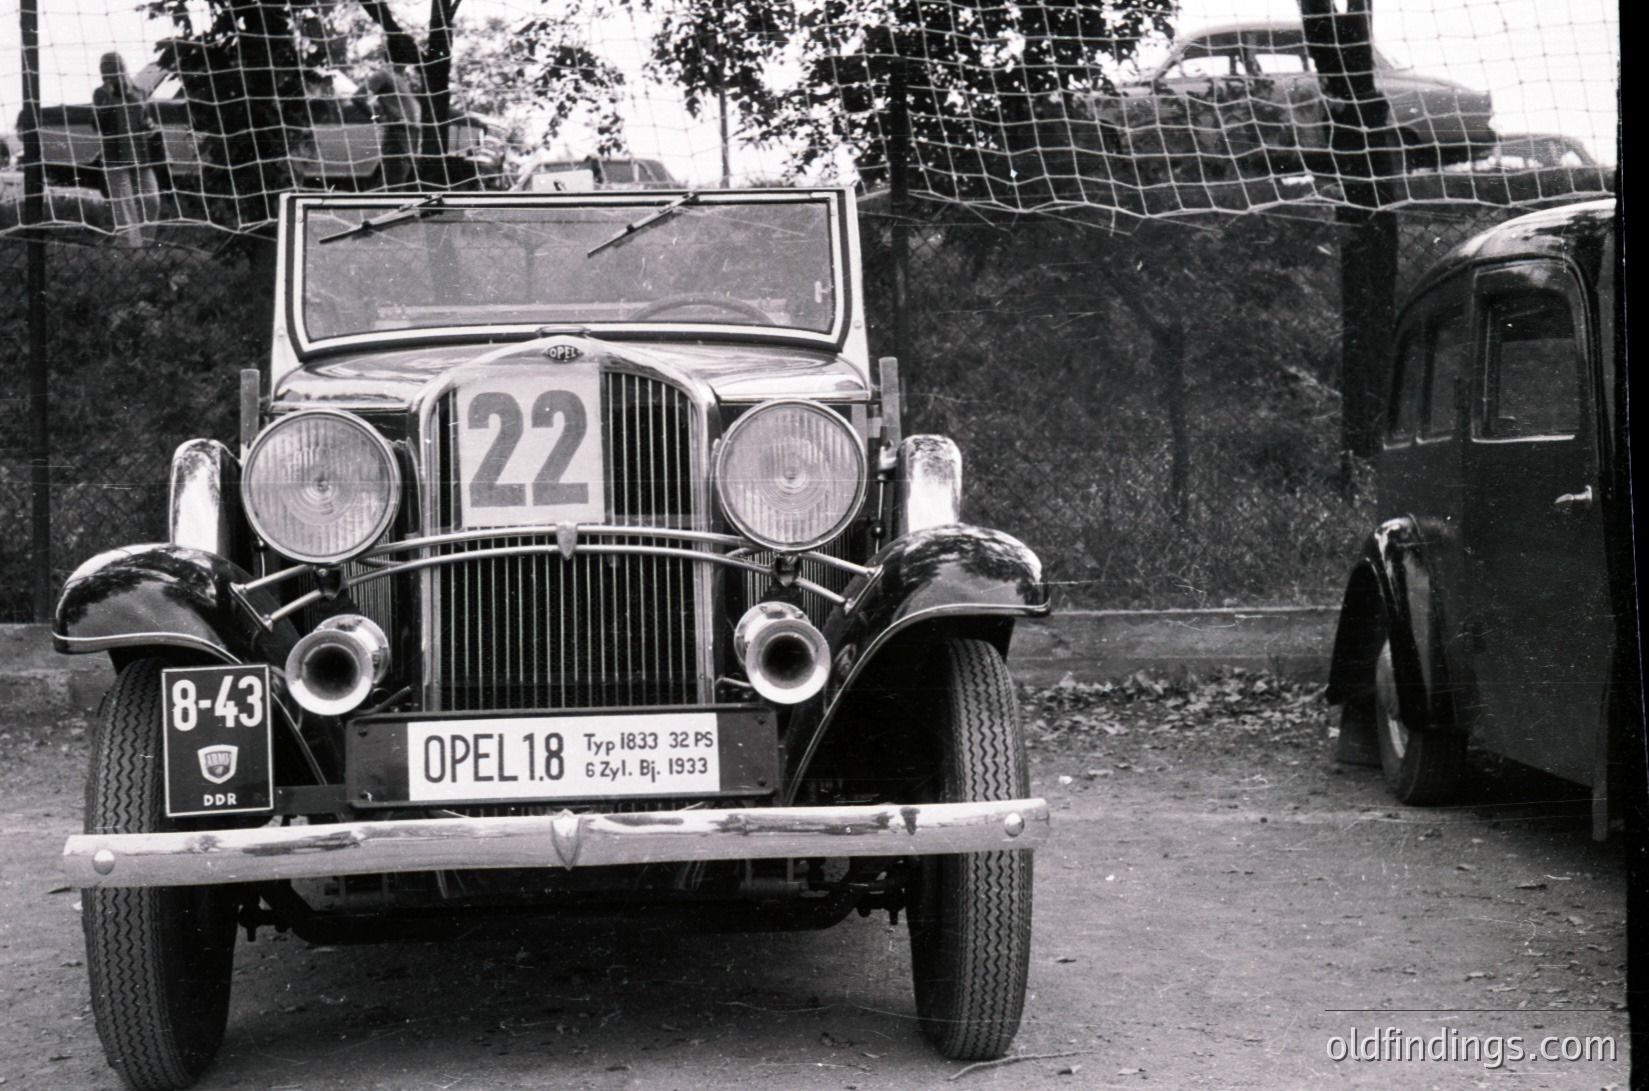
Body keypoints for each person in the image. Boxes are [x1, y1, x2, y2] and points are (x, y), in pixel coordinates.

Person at [92, 52, 161, 246]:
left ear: (122, 69)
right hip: (114, 155)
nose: (108, 75)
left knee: (152, 200)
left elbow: (148, 120)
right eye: (104, 71)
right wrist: (107, 98)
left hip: (140, 153)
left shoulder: (139, 92)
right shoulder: (101, 93)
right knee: (124, 205)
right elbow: (97, 124)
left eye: (112, 70)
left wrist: (149, 124)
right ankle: (129, 248)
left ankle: (146, 243)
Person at [366, 66, 422, 191]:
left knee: (405, 180)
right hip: (398, 131)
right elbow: (359, 98)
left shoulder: (402, 77)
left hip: (411, 132)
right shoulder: (383, 74)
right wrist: (379, 118)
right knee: (394, 181)